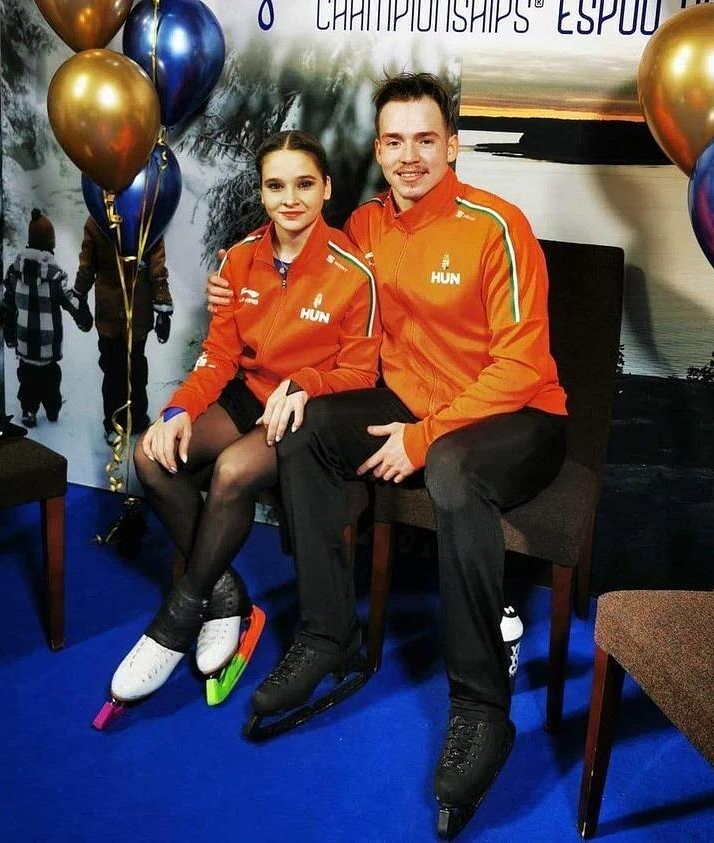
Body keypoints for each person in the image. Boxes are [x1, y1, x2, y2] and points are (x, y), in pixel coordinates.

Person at [207, 74, 567, 835]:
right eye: (395, 141)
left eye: (425, 139)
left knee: (452, 469)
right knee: (306, 427)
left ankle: (481, 707)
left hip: (515, 415)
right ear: (377, 150)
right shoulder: (363, 226)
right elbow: (300, 282)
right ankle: (326, 635)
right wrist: (230, 295)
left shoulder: (496, 225)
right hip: (409, 400)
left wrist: (423, 436)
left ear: (452, 145)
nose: (410, 157)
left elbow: (520, 366)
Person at [97, 130, 380, 720]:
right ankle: (226, 596)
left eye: (304, 184)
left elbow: (361, 372)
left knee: (231, 472)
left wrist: (307, 383)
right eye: (276, 185)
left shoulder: (354, 272)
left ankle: (175, 622)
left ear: (327, 189)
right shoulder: (240, 259)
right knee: (150, 455)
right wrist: (179, 409)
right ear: (262, 192)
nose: (290, 199)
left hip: (300, 412)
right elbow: (220, 355)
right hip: (247, 397)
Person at [71, 217, 173, 444]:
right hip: (128, 312)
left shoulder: (101, 218)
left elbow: (87, 267)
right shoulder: (145, 217)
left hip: (121, 312)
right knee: (129, 368)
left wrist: (79, 294)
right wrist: (162, 306)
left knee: (121, 369)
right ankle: (127, 420)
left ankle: (125, 421)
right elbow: (157, 268)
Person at [2, 208, 91, 427]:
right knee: (51, 382)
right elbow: (70, 301)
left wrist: (10, 334)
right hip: (48, 348)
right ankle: (52, 410)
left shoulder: (15, 273)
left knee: (27, 381)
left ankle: (28, 410)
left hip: (25, 346)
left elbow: (8, 306)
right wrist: (82, 315)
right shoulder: (54, 278)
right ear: (50, 245)